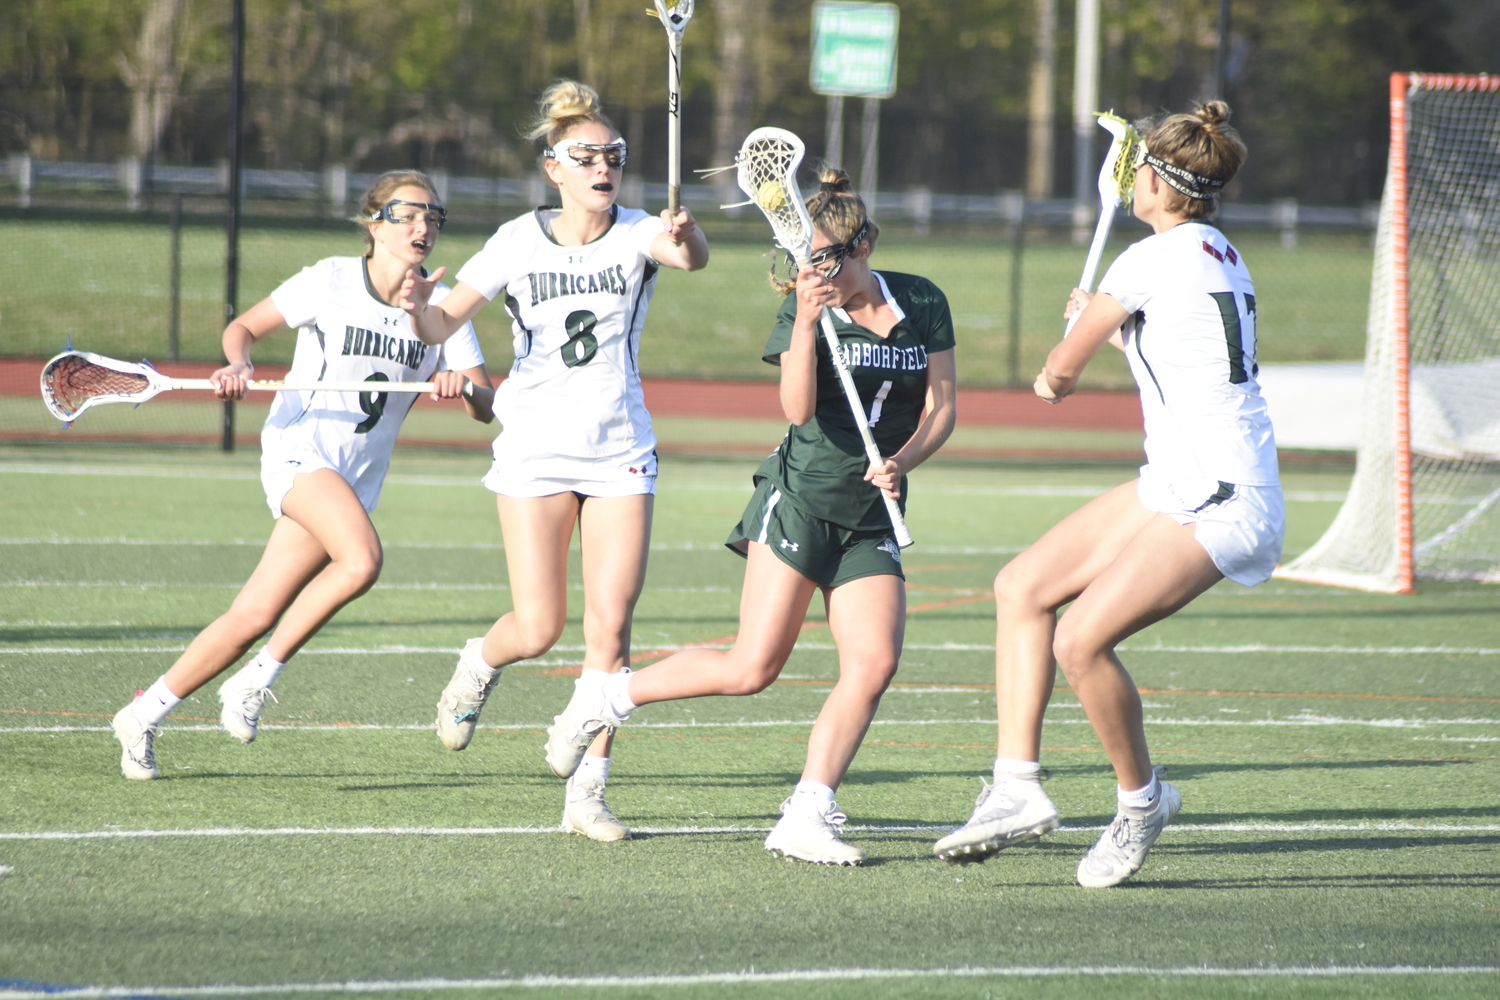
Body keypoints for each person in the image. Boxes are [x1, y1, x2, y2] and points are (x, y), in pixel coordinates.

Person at [540, 168, 957, 865]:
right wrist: (806, 320)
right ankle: (607, 698)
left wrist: (903, 461)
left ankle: (808, 811)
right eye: (806, 259)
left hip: (872, 512)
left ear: (863, 244)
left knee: (874, 662)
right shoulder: (805, 307)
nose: (816, 270)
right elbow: (796, 410)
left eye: (827, 257)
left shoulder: (920, 299)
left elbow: (942, 409)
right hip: (799, 497)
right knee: (751, 667)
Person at [933, 101, 1280, 887]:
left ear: (1158, 181)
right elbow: (1177, 345)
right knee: (1022, 587)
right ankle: (1015, 787)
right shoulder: (1218, 250)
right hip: (1185, 477)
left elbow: (1058, 377)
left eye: (1141, 172)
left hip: (1222, 495)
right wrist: (1112, 324)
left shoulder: (1147, 259)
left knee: (1080, 641)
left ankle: (1140, 802)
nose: (1131, 182)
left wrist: (1064, 356)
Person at [402, 81, 709, 843]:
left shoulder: (640, 229)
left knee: (612, 632)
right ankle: (479, 662)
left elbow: (689, 258)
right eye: (587, 157)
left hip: (619, 449)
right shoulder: (515, 240)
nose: (604, 167)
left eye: (614, 156)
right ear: (554, 168)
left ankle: (589, 794)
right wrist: (414, 305)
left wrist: (689, 231)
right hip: (535, 445)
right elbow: (442, 322)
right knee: (538, 626)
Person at [111, 170, 493, 779]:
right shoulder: (330, 280)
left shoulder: (444, 310)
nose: (424, 227)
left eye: (433, 217)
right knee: (363, 561)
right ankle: (257, 679)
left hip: (356, 479)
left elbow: (484, 406)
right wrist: (237, 363)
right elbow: (244, 329)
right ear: (376, 223)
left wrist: (463, 386)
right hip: (299, 450)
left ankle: (144, 713)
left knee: (252, 616)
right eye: (409, 214)